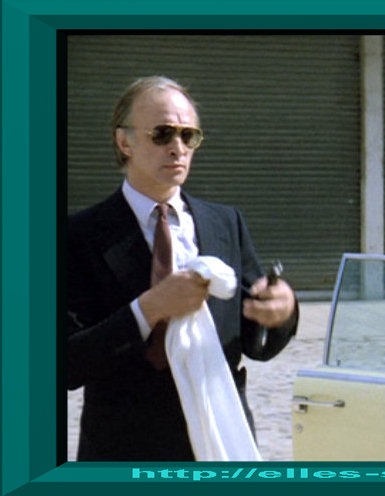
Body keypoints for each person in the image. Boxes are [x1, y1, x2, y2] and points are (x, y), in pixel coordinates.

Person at [66, 76, 299, 461]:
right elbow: (68, 363)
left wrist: (281, 312)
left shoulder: (225, 223)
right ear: (124, 142)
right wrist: (148, 309)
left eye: (189, 136)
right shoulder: (79, 235)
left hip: (220, 440)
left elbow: (256, 342)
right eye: (162, 134)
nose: (178, 147)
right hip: (127, 448)